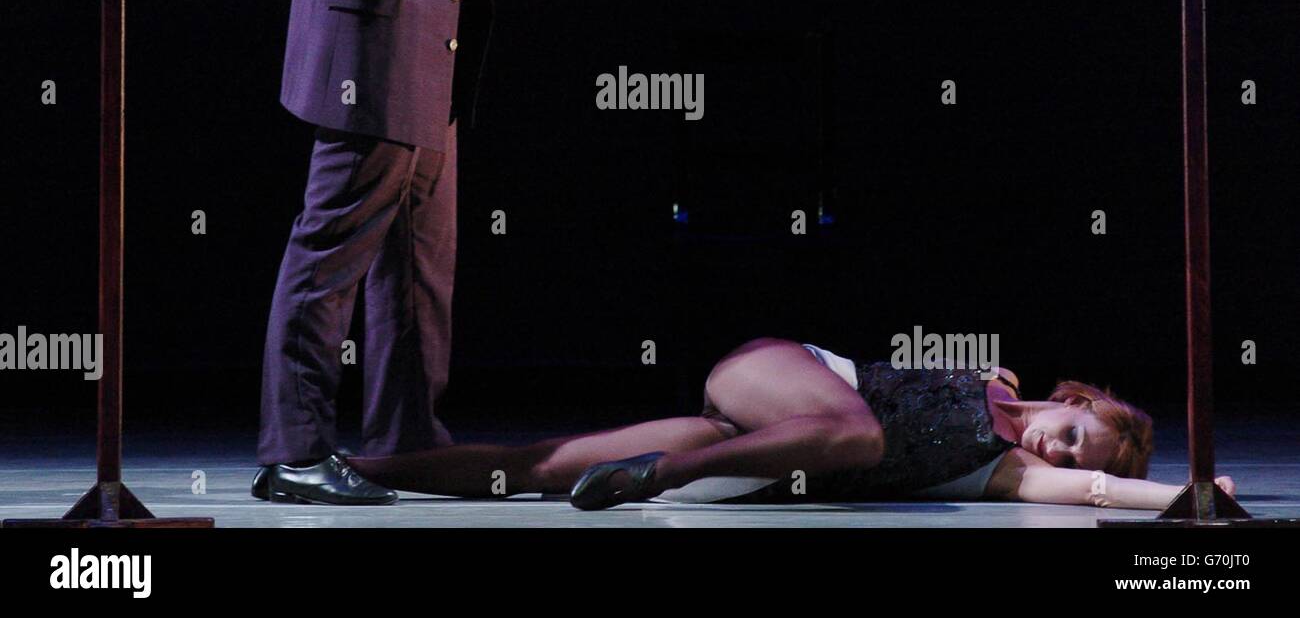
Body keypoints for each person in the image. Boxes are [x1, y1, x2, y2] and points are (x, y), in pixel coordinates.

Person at [253, 0, 571, 505]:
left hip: (428, 64)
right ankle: (294, 453)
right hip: (371, 69)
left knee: (419, 271)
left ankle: (406, 444)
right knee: (328, 264)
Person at [343, 337, 1238, 511]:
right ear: (1072, 402)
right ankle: (655, 479)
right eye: (1073, 432)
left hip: (760, 457)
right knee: (860, 433)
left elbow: (1093, 490)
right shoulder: (991, 375)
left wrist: (1188, 496)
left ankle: (353, 471)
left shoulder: (1003, 473)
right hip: (783, 377)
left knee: (538, 466)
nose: (1056, 450)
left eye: (1071, 455)